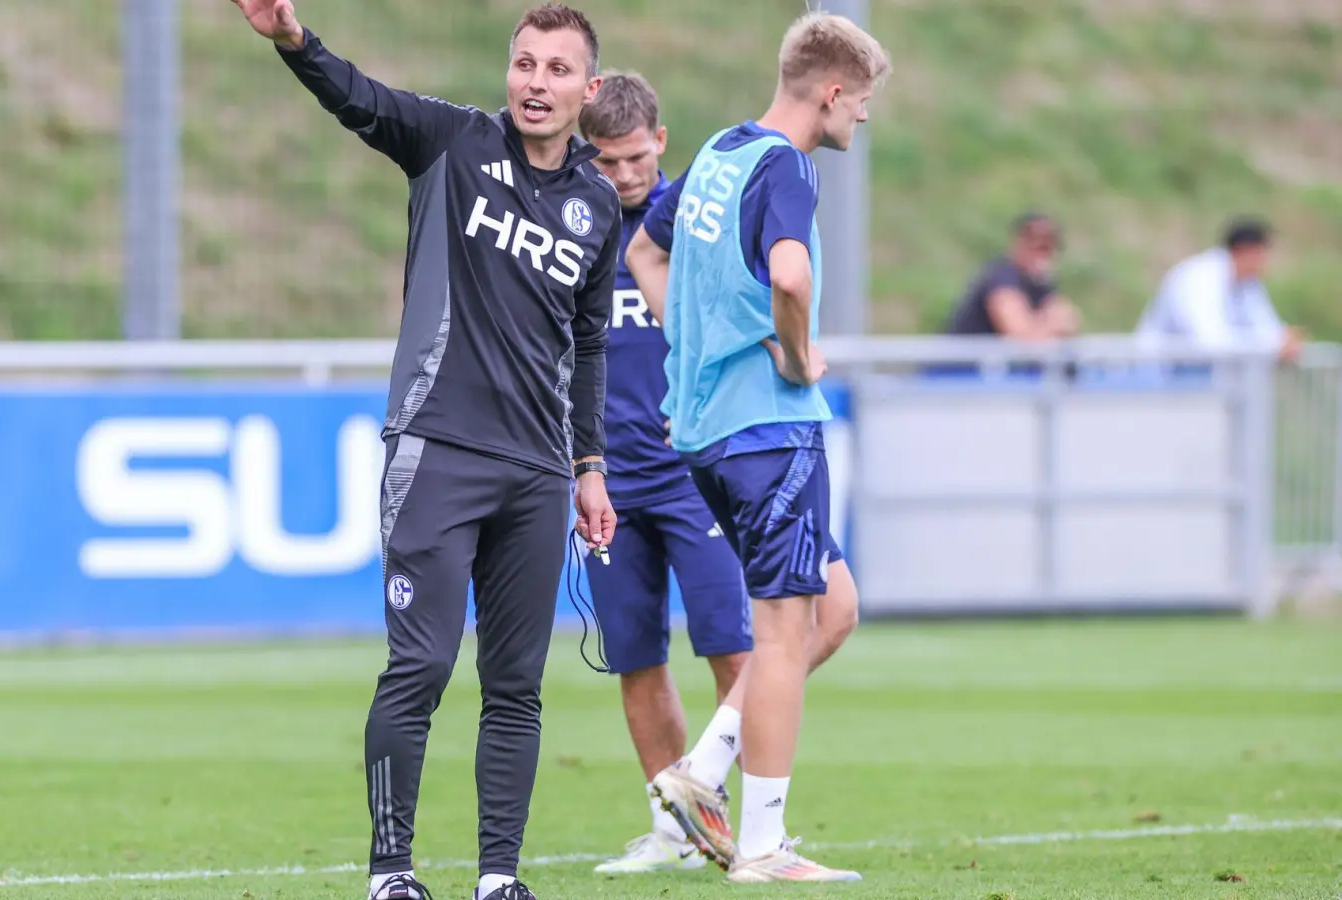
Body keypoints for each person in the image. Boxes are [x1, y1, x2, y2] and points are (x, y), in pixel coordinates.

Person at [226, 2, 622, 899]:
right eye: (525, 64)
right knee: (423, 667)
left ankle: (497, 878)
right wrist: (294, 40)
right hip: (437, 451)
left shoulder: (598, 205)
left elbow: (589, 343)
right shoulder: (452, 143)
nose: (536, 82)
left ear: (587, 91)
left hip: (537, 472)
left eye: (558, 70)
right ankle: (391, 872)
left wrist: (589, 467)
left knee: (515, 686)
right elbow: (357, 99)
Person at [623, 9, 890, 884]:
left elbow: (643, 254)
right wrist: (797, 348)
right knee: (784, 634)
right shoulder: (787, 168)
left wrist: (691, 351)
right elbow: (788, 274)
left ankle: (699, 774)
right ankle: (763, 847)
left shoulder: (717, 152)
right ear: (834, 91)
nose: (863, 120)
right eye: (864, 104)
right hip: (772, 430)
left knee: (834, 606)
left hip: (707, 436)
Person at [574, 72, 752, 876]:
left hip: (693, 475)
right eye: (606, 161)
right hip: (608, 484)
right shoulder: (570, 227)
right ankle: (672, 830)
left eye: (635, 158)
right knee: (635, 658)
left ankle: (759, 823)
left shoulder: (696, 224)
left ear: (662, 143)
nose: (622, 176)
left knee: (734, 650)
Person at [1135, 217, 1304, 365]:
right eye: (1264, 255)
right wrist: (1272, 346)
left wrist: (1281, 341)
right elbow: (1210, 339)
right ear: (1246, 251)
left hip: (1198, 376)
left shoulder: (1248, 284)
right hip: (1159, 372)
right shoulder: (1200, 276)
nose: (1267, 263)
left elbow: (1266, 327)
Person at [942, 211, 1081, 342]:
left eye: (1047, 246)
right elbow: (1021, 339)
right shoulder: (1002, 277)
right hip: (962, 365)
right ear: (1018, 242)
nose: (1041, 253)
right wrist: (1052, 325)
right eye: (1034, 243)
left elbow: (1067, 322)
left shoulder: (1041, 284)